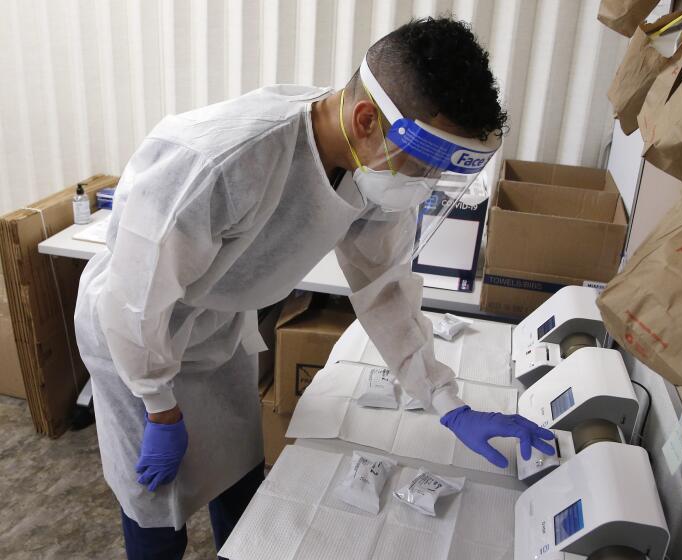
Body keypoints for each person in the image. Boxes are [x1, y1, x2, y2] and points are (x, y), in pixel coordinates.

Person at [74, 16, 554, 559]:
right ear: (368, 118)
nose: (424, 184)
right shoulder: (220, 161)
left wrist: (448, 402)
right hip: (135, 338)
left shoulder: (375, 167)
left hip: (216, 327)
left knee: (236, 469)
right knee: (155, 498)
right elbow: (134, 300)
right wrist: (159, 406)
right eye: (424, 166)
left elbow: (386, 290)